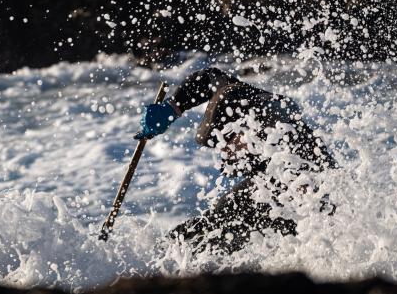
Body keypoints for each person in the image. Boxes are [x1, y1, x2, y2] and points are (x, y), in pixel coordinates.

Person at [134, 67, 337, 254]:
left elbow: (311, 187)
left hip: (303, 197)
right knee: (207, 227)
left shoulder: (277, 130)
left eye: (227, 141)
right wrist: (173, 106)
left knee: (224, 233)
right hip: (267, 183)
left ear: (244, 126)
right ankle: (160, 255)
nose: (224, 152)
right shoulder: (237, 95)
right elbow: (208, 78)